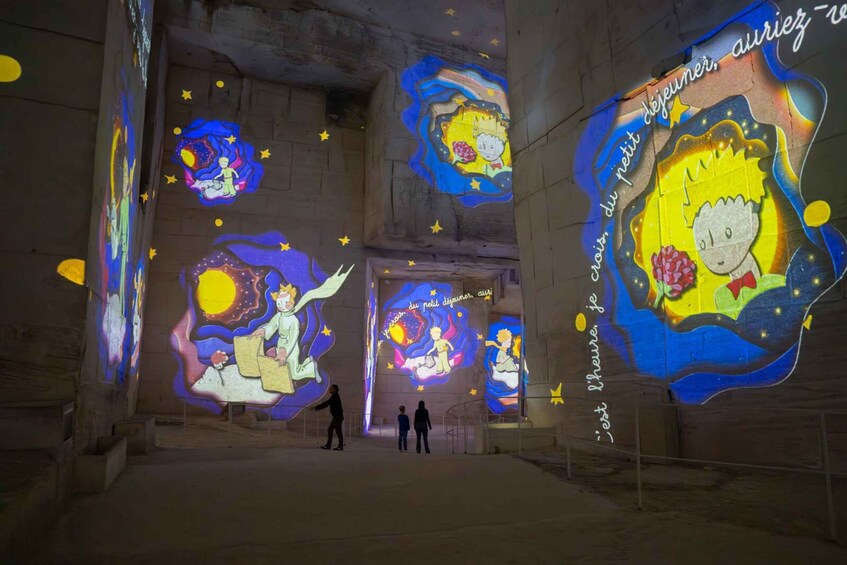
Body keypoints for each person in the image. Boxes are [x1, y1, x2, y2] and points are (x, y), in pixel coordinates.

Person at [312, 384, 343, 450]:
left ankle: (338, 446)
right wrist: (317, 408)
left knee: (336, 431)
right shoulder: (334, 396)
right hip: (337, 416)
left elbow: (327, 403)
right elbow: (327, 403)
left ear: (335, 389)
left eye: (331, 388)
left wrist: (316, 407)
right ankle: (332, 445)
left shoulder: (335, 396)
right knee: (333, 430)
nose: (329, 389)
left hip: (337, 417)